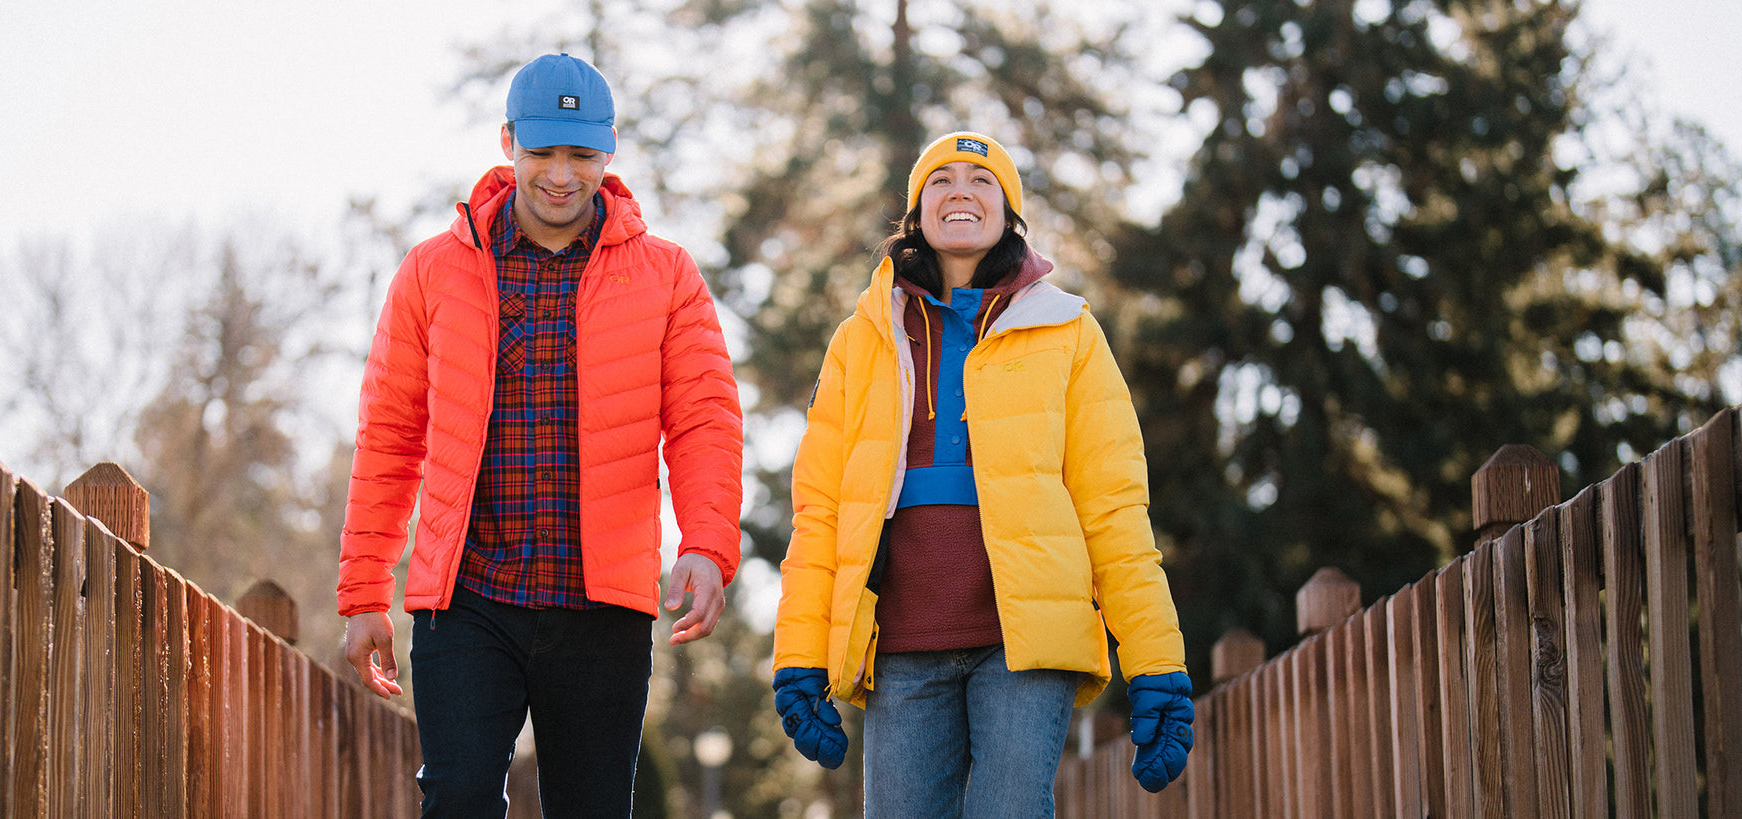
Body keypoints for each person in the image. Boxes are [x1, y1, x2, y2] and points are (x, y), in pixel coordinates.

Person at [336, 53, 744, 818]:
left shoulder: (667, 275)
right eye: (543, 152)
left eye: (582, 154)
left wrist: (706, 542)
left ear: (610, 150)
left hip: (602, 605)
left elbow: (704, 419)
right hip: (468, 598)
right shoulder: (432, 273)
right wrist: (364, 591)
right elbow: (390, 435)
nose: (561, 174)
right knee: (456, 798)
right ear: (508, 143)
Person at [770, 131, 1193, 815]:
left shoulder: (1070, 333)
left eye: (981, 180)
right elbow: (821, 508)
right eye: (941, 179)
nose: (960, 190)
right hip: (901, 640)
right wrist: (799, 653)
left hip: (1024, 643)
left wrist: (1155, 662)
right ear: (916, 214)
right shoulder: (861, 340)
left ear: (1008, 214)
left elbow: (1113, 508)